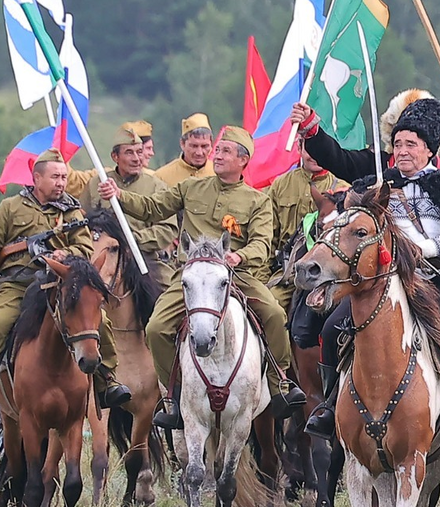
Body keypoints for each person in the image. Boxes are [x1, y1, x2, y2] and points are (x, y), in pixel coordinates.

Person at [288, 97, 440, 452]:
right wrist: (312, 128)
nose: (403, 151)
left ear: (428, 149)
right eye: (399, 143)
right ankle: (328, 406)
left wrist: (425, 249)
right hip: (381, 282)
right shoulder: (376, 185)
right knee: (330, 328)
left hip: (431, 281)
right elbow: (338, 159)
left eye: (412, 145)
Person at [99, 126, 306, 429]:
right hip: (191, 276)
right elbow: (152, 208)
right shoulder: (190, 188)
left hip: (235, 275)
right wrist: (120, 196)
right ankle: (172, 396)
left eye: (224, 151)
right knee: (156, 328)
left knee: (274, 314)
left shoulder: (257, 200)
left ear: (243, 161)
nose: (216, 155)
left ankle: (281, 386)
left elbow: (262, 243)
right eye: (217, 150)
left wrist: (240, 256)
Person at [0, 148, 132, 415]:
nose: (61, 183)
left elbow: (83, 246)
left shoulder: (71, 212)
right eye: (55, 177)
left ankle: (107, 381)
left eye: (64, 177)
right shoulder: (10, 207)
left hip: (58, 284)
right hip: (17, 283)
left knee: (99, 321)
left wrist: (66, 255)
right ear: (37, 178)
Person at [80, 125, 176, 287]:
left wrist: (133, 240)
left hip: (144, 257)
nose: (136, 158)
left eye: (139, 152)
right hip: (101, 257)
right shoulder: (96, 183)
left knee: (171, 294)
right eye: (129, 152)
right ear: (115, 156)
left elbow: (167, 229)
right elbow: (81, 220)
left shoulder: (157, 187)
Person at [266, 138, 348, 312]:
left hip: (327, 274)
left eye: (318, 150)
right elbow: (269, 235)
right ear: (298, 147)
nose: (314, 156)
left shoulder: (343, 188)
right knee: (271, 308)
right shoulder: (280, 184)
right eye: (309, 149)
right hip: (287, 273)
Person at [153, 113, 215, 186]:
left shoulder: (220, 175)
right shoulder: (161, 177)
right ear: (182, 144)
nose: (199, 152)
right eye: (194, 146)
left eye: (204, 146)